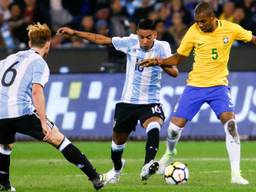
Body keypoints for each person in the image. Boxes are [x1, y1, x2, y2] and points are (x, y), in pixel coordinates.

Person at [140, 2, 256, 185]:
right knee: (172, 130)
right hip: (194, 86)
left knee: (231, 125)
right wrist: (158, 61)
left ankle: (236, 175)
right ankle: (170, 153)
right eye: (197, 22)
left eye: (203, 21)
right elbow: (178, 58)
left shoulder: (231, 29)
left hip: (219, 86)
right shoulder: (193, 32)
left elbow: (252, 39)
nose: (199, 25)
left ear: (212, 18)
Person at [57, 19, 179, 183]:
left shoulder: (162, 47)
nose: (144, 41)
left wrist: (158, 61)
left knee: (154, 124)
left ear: (155, 35)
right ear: (137, 34)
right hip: (127, 102)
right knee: (116, 147)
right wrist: (75, 33)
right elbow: (101, 39)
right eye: (141, 37)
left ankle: (147, 164)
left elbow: (175, 72)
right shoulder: (129, 43)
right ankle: (117, 168)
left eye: (148, 37)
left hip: (150, 102)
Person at [0, 23, 104, 191]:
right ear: (48, 44)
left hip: (1, 113)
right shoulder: (39, 62)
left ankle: (4, 184)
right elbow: (36, 92)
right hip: (21, 111)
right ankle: (95, 177)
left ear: (29, 43)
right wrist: (43, 121)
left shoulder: (9, 59)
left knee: (5, 145)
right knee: (58, 139)